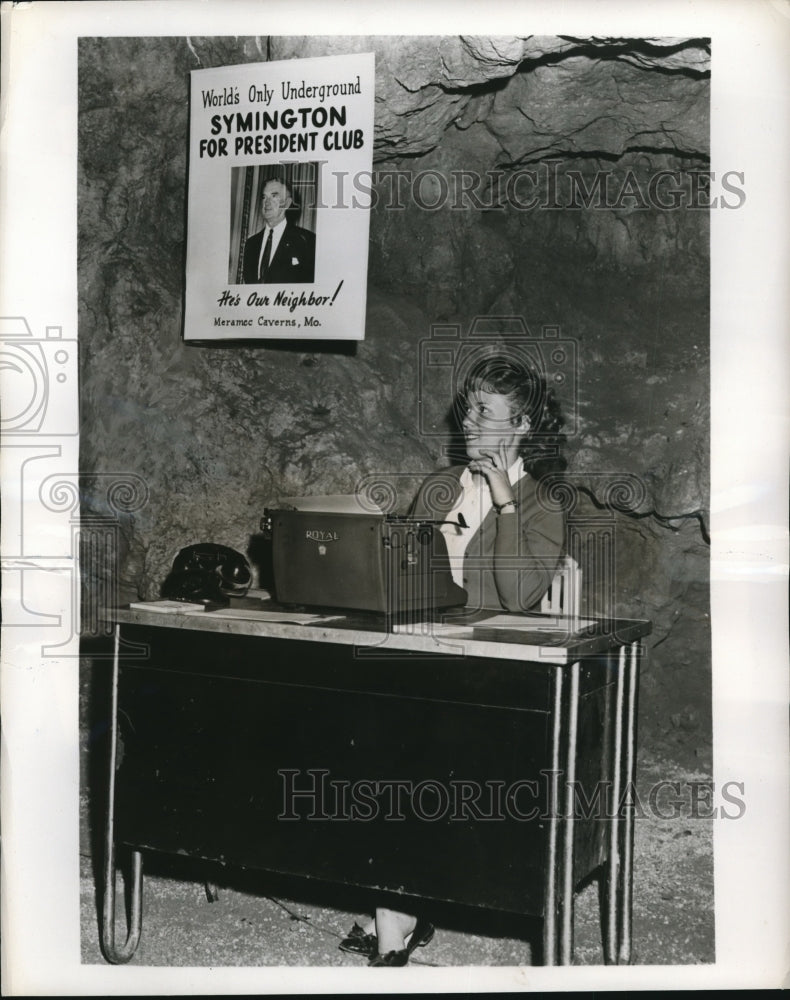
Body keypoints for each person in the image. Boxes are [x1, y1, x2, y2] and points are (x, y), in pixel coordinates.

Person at [339, 352, 567, 966]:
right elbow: (400, 574)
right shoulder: (440, 487)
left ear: (520, 428)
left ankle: (400, 921)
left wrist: (504, 500)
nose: (470, 423)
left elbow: (520, 597)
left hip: (497, 674)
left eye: (486, 413)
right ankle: (398, 918)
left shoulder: (545, 503)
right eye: (469, 410)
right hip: (423, 656)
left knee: (406, 760)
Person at [241, 177, 315, 284]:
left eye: (274, 196)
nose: (266, 202)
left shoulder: (307, 241)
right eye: (264, 197)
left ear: (287, 203)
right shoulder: (251, 244)